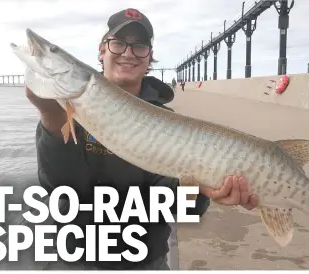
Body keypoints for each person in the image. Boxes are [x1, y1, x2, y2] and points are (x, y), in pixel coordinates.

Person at [25, 8, 258, 270]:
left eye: (139, 46)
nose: (128, 52)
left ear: (149, 58)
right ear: (102, 51)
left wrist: (199, 189)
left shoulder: (166, 121)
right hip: (76, 258)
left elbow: (179, 209)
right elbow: (59, 187)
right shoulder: (70, 112)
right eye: (118, 43)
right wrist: (49, 116)